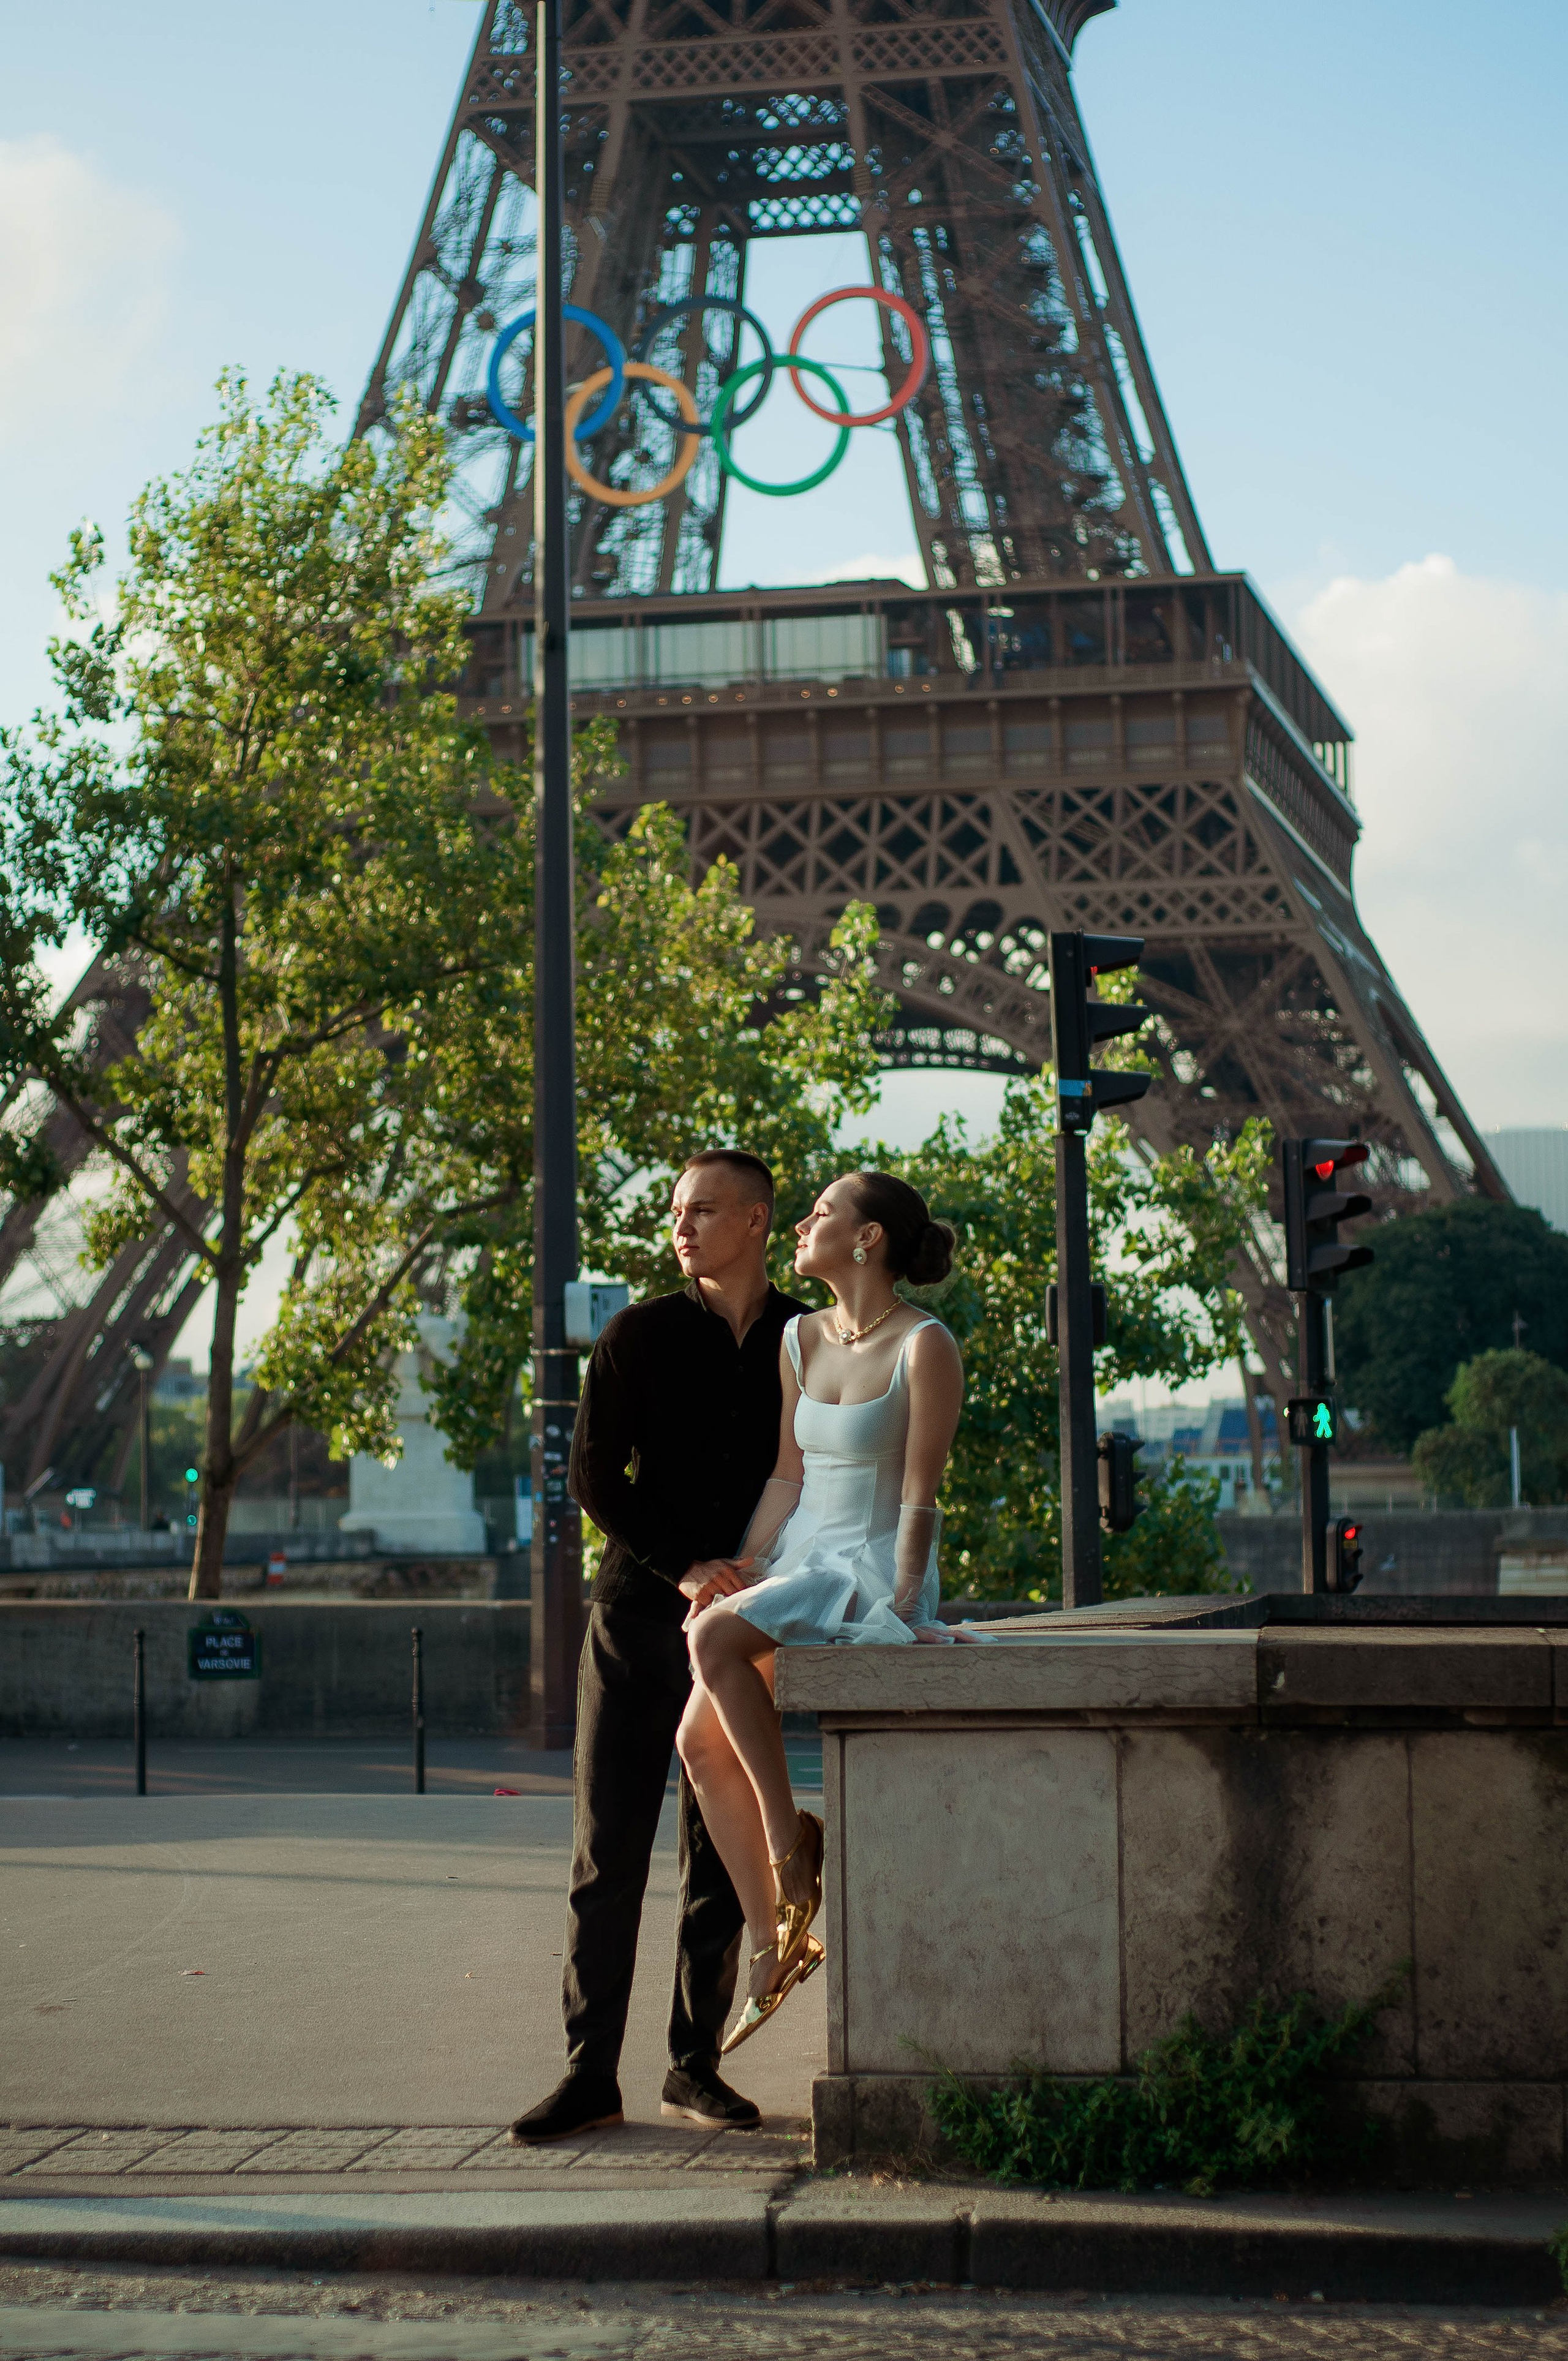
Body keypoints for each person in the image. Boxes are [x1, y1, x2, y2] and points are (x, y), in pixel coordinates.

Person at [509, 1148, 809, 2145]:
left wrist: (755, 1578)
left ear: (759, 1220)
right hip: (639, 1618)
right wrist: (686, 1565)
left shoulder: (804, 1342)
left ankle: (694, 2065)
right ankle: (589, 2071)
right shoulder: (637, 1333)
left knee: (716, 1861)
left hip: (737, 1628)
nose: (683, 1227)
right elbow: (597, 1478)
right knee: (610, 1850)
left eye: (706, 1210)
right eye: (677, 1212)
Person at [676, 1170, 969, 2055]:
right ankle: (775, 1943)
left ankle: (787, 1836)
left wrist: (908, 1605)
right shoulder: (800, 1339)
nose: (803, 1224)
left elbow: (919, 1497)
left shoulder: (926, 1346)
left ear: (868, 1238)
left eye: (823, 1213)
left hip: (869, 1561)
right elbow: (786, 1479)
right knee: (696, 1740)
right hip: (803, 1553)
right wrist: (748, 1567)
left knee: (713, 1636)